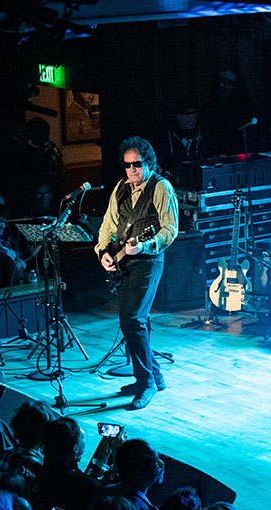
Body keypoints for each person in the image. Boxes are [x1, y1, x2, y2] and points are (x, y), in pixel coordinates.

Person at [95, 137, 178, 410]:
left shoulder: (161, 187)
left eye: (137, 164)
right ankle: (154, 376)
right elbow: (108, 224)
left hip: (148, 261)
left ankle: (146, 383)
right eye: (127, 165)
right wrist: (103, 251)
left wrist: (144, 245)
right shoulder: (121, 187)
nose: (132, 170)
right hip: (124, 263)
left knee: (134, 319)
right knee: (128, 321)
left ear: (149, 162)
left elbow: (170, 230)